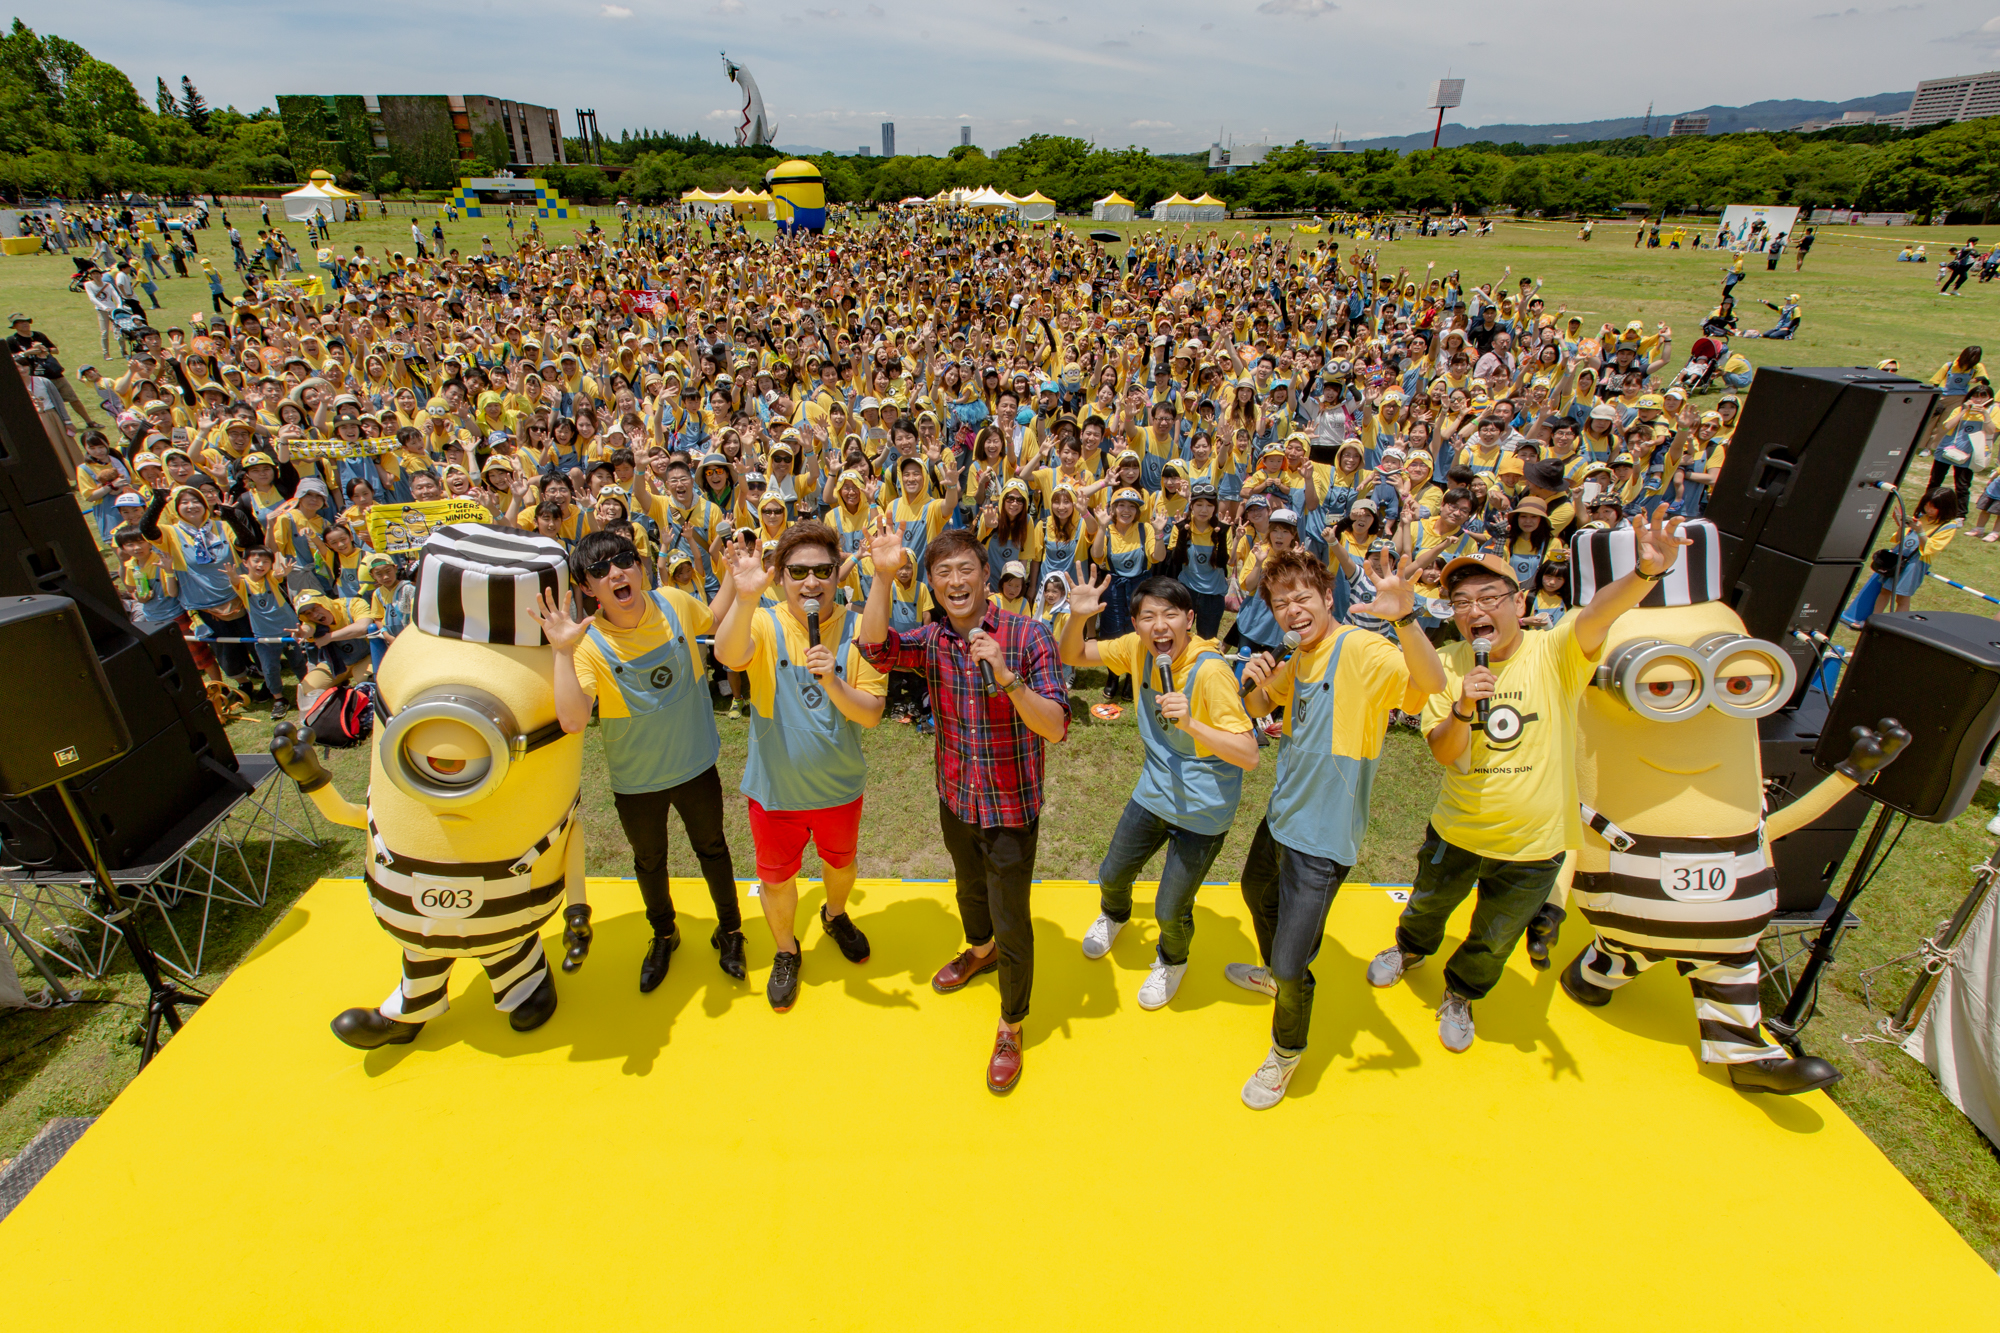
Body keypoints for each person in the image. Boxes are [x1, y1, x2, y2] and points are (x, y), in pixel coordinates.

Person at [1365, 509, 1694, 1054]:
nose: (1476, 611)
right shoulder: (1444, 664)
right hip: (1458, 830)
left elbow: (1598, 613)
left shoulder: (1557, 651)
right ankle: (1410, 949)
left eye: (1490, 598)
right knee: (1427, 905)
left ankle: (1462, 992)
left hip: (1535, 844)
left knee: (1494, 936)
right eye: (1463, 602)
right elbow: (1445, 752)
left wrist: (1645, 573)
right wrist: (1465, 704)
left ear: (1519, 604)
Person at [1227, 547, 1445, 1108]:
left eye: (1303, 599)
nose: (1292, 611)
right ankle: (1279, 976)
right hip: (1282, 818)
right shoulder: (1299, 658)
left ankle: (1284, 1053)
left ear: (1328, 598)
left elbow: (1430, 681)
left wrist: (1404, 618)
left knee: (1294, 963)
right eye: (1280, 604)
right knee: (1255, 892)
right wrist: (1252, 683)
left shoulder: (1363, 649)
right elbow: (1256, 707)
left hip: (1322, 840)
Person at [857, 519, 1069, 1095]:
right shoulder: (933, 639)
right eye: (942, 572)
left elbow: (1056, 728)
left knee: (1012, 919)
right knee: (969, 892)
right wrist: (880, 576)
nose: (955, 581)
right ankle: (980, 952)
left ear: (987, 577)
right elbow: (877, 650)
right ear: (930, 585)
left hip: (1010, 807)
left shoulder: (1028, 637)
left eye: (965, 569)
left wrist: (1006, 677)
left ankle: (1011, 1022)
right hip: (956, 797)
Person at [534, 528, 752, 989]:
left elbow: (710, 618)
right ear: (587, 589)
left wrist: (732, 577)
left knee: (712, 848)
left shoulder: (673, 600)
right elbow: (573, 719)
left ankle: (730, 931)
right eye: (599, 570)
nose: (615, 572)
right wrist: (562, 650)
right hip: (637, 782)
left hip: (695, 765)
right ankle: (663, 934)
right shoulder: (588, 644)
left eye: (624, 560)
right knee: (649, 860)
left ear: (640, 565)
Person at [1059, 573, 1258, 1009]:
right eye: (1148, 616)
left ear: (1190, 619)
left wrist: (1191, 724)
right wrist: (1076, 617)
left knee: (1170, 910)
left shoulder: (1211, 672)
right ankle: (1115, 917)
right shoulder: (1135, 649)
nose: (1159, 625)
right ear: (1135, 624)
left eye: (1170, 614)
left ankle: (1172, 959)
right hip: (1153, 792)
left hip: (1204, 811)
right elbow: (1071, 652)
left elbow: (1249, 754)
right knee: (1112, 874)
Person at [711, 521, 887, 1011]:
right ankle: (787, 950)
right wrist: (745, 598)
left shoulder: (859, 629)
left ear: (838, 574)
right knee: (775, 879)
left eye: (822, 571)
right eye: (798, 572)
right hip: (775, 791)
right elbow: (728, 653)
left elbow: (870, 715)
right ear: (781, 576)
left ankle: (834, 915)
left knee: (842, 865)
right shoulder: (764, 622)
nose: (811, 582)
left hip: (839, 786)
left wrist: (832, 680)